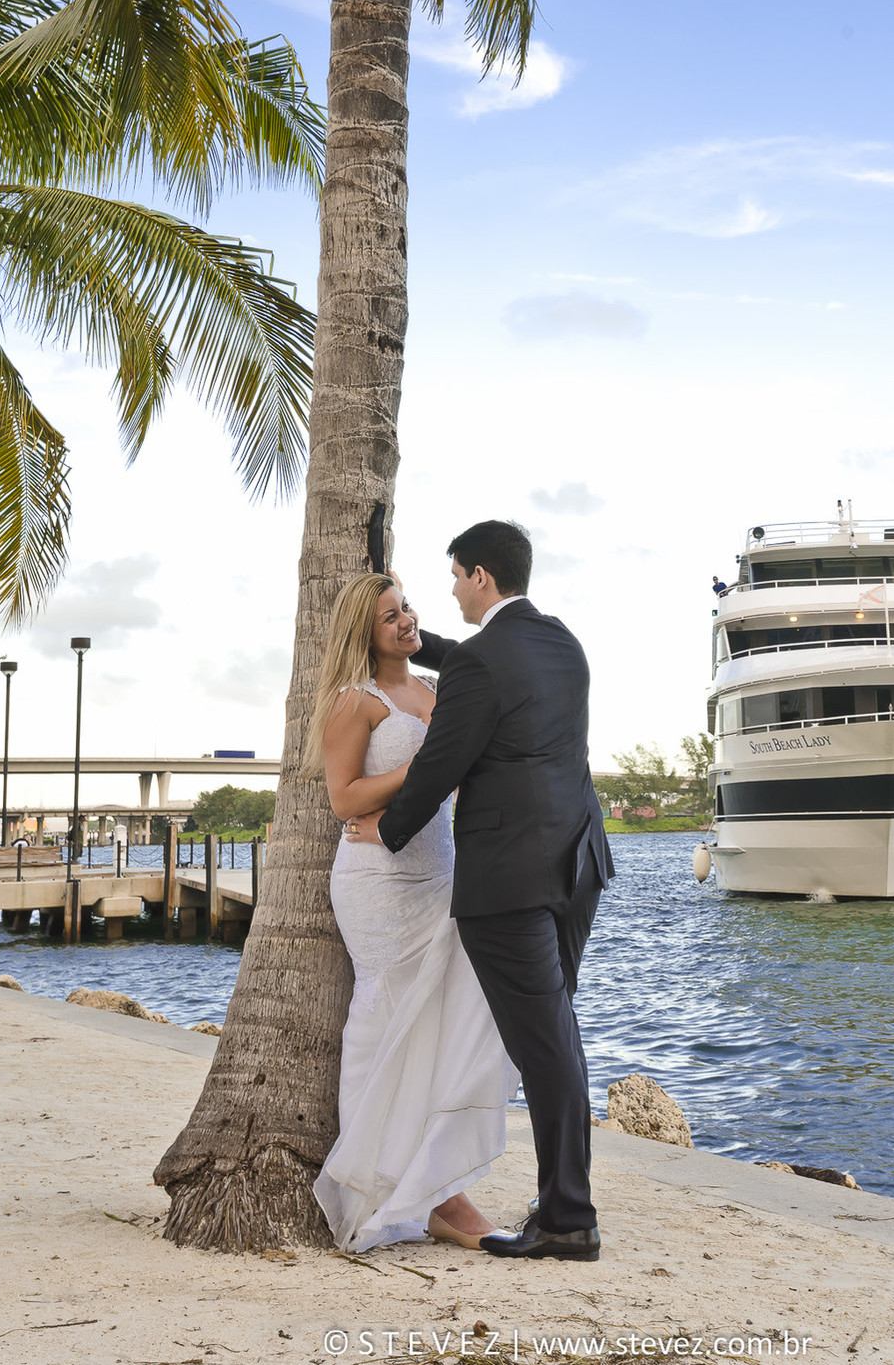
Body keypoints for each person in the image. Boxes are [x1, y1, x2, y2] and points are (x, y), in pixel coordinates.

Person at [348, 519, 614, 1262]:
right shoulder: (559, 641)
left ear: (482, 578)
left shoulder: (479, 666)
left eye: (457, 577)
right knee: (558, 1035)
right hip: (578, 864)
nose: (452, 591)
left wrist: (388, 829)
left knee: (548, 1048)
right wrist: (413, 638)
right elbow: (473, 661)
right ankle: (565, 1206)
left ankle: (568, 1218)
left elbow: (440, 767)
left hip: (511, 883)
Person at [309, 573, 516, 1253]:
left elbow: (454, 775)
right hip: (377, 881)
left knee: (451, 1020)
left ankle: (435, 1187)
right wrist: (423, 765)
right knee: (387, 1019)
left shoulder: (433, 690)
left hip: (440, 873)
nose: (406, 621)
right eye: (389, 617)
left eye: (407, 608)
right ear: (363, 633)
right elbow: (344, 799)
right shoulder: (353, 702)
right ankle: (381, 1188)